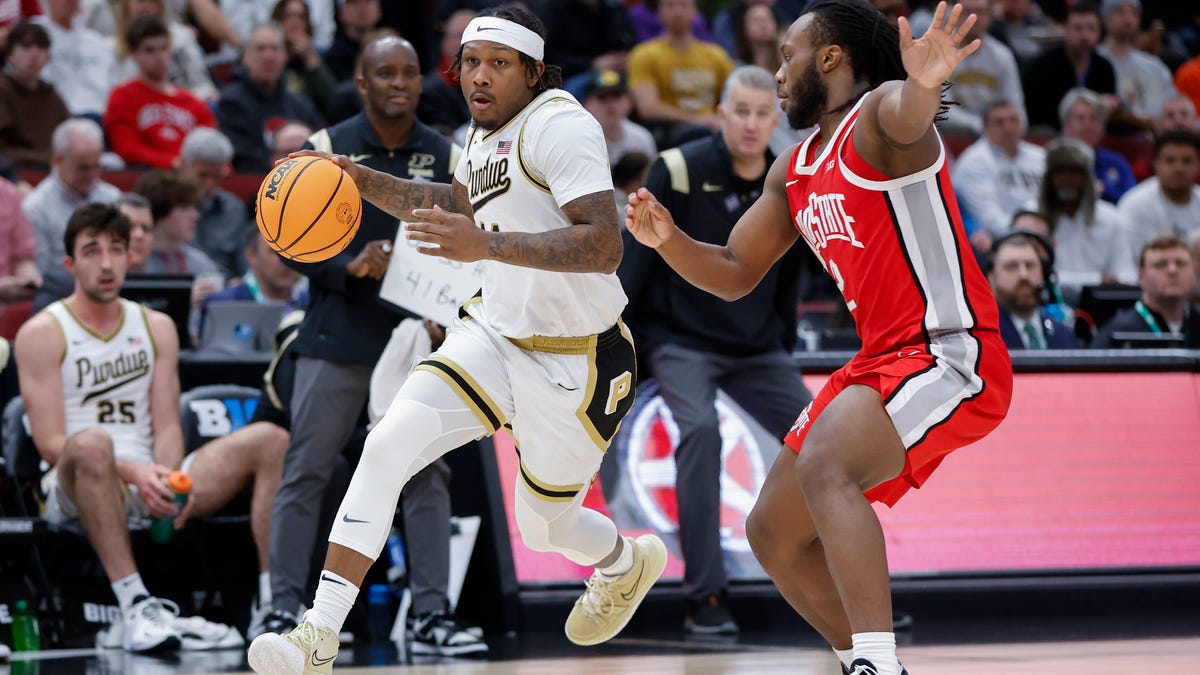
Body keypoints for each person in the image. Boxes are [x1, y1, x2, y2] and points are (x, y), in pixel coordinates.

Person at [248, 7, 664, 672]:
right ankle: (316, 634)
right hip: (494, 335)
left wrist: (486, 246)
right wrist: (358, 178)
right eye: (471, 62)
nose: (479, 76)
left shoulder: (562, 124)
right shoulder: (481, 132)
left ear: (533, 71)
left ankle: (624, 562)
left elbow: (603, 244)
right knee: (387, 445)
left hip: (580, 359)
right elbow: (460, 206)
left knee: (547, 528)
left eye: (498, 63)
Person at [623, 3, 1012, 674]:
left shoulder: (880, 117)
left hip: (949, 350)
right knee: (772, 531)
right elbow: (733, 271)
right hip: (878, 359)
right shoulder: (793, 168)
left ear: (829, 58)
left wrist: (924, 84)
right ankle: (859, 659)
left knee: (826, 465)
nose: (778, 74)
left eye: (787, 56)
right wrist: (668, 240)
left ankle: (878, 663)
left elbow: (907, 113)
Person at [253, 36, 479, 662]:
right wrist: (347, 264)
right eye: (386, 73)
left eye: (409, 72)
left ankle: (432, 615)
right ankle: (281, 607)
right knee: (306, 469)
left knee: (426, 473)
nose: (399, 83)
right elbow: (281, 235)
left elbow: (473, 239)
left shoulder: (449, 154)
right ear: (362, 83)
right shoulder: (325, 147)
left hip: (416, 339)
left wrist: (449, 310)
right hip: (339, 333)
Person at [12, 203, 279, 653]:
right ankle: (136, 604)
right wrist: (136, 473)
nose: (106, 263)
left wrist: (166, 479)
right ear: (70, 263)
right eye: (92, 251)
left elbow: (168, 423)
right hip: (75, 481)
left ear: (130, 257)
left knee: (272, 439)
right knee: (93, 443)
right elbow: (52, 443)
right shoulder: (42, 331)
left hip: (149, 473)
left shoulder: (157, 326)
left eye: (116, 250)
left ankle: (275, 606)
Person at [618, 64, 810, 635]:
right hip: (681, 340)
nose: (751, 124)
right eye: (741, 112)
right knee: (700, 430)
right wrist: (620, 342)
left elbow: (792, 275)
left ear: (775, 120)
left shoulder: (788, 177)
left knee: (824, 440)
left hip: (757, 348)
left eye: (762, 114)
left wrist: (780, 341)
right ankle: (705, 596)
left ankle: (844, 591)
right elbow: (638, 261)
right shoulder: (677, 168)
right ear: (721, 115)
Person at [24, 118, 122, 310]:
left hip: (112, 292)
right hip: (58, 299)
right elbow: (39, 274)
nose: (92, 175)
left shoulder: (113, 198)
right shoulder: (36, 207)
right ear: (57, 160)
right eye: (83, 167)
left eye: (97, 166)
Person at [103, 15, 217, 170]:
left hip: (192, 175)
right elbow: (127, 148)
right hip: (148, 175)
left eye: (163, 48)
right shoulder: (123, 96)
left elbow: (212, 147)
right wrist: (172, 163)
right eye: (149, 50)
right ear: (133, 54)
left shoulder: (192, 102)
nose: (159, 57)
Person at [1036, 137, 1137, 304]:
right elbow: (1036, 278)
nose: (1067, 180)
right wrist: (1098, 280)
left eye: (1074, 173)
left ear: (1087, 178)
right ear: (1049, 178)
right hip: (1047, 305)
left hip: (1102, 306)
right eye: (1060, 173)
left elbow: (1127, 276)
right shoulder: (1033, 217)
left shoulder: (1111, 217)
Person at [215, 23, 322, 174]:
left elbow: (320, 146)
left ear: (285, 56)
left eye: (275, 49)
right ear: (245, 57)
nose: (269, 56)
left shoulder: (301, 104)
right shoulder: (231, 103)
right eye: (260, 49)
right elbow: (241, 157)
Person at [950, 99, 1046, 251]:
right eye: (999, 122)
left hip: (1044, 233)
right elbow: (988, 218)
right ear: (984, 127)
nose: (1009, 128)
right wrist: (1027, 234)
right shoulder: (973, 162)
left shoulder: (1041, 157)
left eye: (1013, 120)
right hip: (999, 243)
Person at [1090, 234, 1199, 347]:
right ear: (1141, 276)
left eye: (1181, 263)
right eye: (1160, 265)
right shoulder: (1118, 334)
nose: (1172, 270)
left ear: (1194, 273)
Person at [1115, 129, 1200, 256]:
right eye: (1170, 160)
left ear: (1198, 164)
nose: (1179, 168)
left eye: (1186, 161)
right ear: (1156, 163)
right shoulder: (1135, 205)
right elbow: (1133, 260)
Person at [987, 231, 1077, 349]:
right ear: (991, 277)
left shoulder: (1063, 334)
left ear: (1043, 273)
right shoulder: (982, 337)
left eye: (1030, 265)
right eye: (1011, 267)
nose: (1023, 275)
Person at [0, 21, 71, 171]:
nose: (34, 54)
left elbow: (70, 134)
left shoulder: (51, 95)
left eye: (41, 47)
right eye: (26, 46)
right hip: (12, 171)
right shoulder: (3, 90)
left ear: (48, 57)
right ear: (10, 55)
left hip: (53, 169)